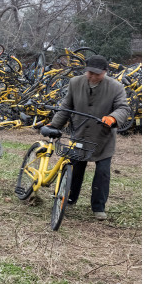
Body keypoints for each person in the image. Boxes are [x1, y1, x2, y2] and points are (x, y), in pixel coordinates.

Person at [47, 55, 130, 221]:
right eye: (89, 73)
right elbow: (66, 107)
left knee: (102, 173)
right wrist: (53, 126)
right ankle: (69, 199)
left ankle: (98, 207)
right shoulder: (75, 82)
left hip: (103, 138)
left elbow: (123, 108)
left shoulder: (116, 87)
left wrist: (113, 118)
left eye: (96, 74)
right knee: (75, 168)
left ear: (105, 72)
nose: (92, 76)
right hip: (80, 134)